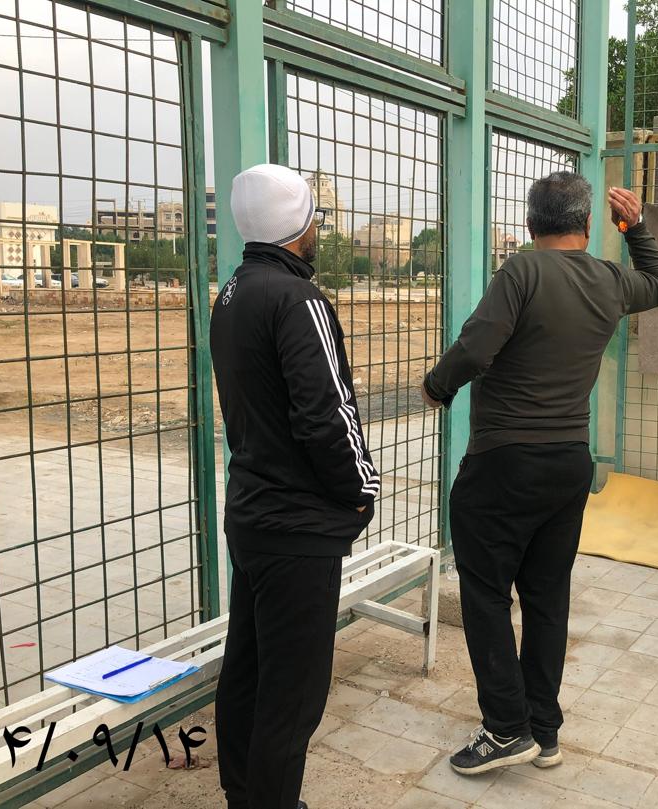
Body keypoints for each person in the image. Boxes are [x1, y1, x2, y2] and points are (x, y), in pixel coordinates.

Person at [422, 173, 658, 775]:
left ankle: (506, 728)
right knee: (546, 596)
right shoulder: (611, 279)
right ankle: (543, 729)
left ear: (531, 223)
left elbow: (476, 348)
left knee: (485, 594)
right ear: (586, 223)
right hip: (568, 463)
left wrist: (436, 387)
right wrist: (635, 228)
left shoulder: (521, 272)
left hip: (503, 463)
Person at [210, 163, 379, 809]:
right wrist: (359, 490)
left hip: (253, 514)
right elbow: (326, 413)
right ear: (297, 226)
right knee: (293, 694)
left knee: (249, 668)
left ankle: (244, 794)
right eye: (314, 219)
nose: (318, 231)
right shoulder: (299, 299)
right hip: (297, 527)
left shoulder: (234, 292)